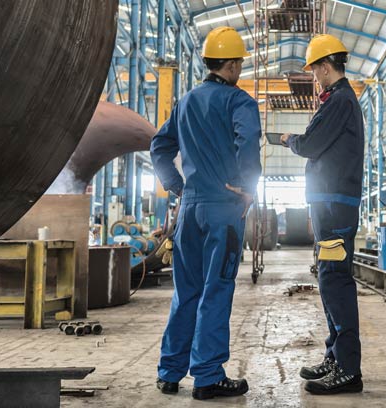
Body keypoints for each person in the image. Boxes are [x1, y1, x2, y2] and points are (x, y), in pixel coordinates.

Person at [150, 26, 261, 401]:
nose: (240, 69)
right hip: (223, 211)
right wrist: (249, 185)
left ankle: (169, 372)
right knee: (216, 290)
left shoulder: (185, 102)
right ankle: (208, 376)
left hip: (190, 211)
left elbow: (159, 146)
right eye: (239, 63)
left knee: (187, 292)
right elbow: (248, 141)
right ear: (230, 64)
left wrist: (177, 186)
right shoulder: (239, 102)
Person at [279, 34, 365, 395]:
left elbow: (311, 144)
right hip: (328, 202)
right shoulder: (336, 101)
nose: (314, 76)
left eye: (314, 70)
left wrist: (287, 140)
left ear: (325, 67)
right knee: (328, 278)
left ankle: (348, 369)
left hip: (334, 204)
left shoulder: (340, 101)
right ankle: (335, 356)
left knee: (335, 280)